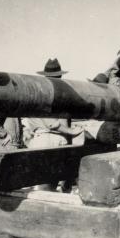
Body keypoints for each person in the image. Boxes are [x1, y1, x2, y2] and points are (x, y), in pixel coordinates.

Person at [27, 58, 83, 191]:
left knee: (48, 186)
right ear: (60, 75)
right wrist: (72, 131)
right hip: (49, 139)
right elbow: (52, 124)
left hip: (47, 139)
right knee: (46, 187)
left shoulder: (42, 91)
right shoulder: (47, 93)